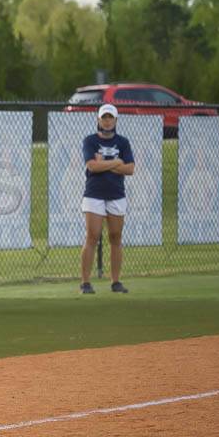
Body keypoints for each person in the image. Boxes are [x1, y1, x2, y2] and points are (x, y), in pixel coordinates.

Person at [80, 104, 135, 294]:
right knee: (92, 236)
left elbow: (130, 169)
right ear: (98, 120)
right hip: (94, 194)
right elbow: (92, 166)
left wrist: (104, 163)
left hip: (116, 194)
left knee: (115, 237)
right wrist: (116, 162)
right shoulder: (90, 141)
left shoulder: (123, 142)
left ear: (116, 120)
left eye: (111, 117)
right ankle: (85, 283)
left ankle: (116, 282)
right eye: (104, 117)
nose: (107, 121)